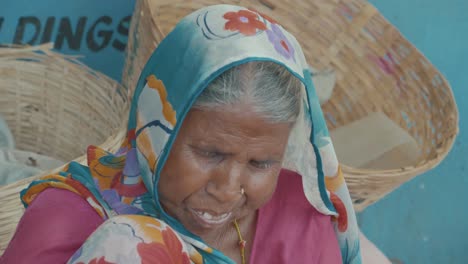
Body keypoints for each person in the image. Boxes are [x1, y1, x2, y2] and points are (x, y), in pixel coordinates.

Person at [1, 5, 362, 264]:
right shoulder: (68, 220)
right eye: (211, 153)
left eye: (260, 163)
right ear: (155, 131)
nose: (227, 187)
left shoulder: (301, 221)